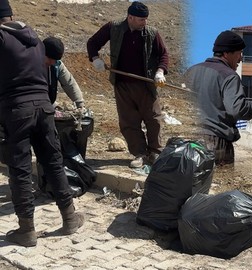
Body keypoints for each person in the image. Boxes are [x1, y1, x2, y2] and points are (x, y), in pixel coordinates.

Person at [0, 0, 84, 247]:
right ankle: (69, 218)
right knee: (53, 163)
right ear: (12, 15)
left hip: (17, 111)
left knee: (21, 169)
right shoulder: (35, 38)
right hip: (44, 109)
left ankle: (26, 230)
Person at [86, 1, 168, 168]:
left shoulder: (151, 33)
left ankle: (155, 153)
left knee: (154, 119)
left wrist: (160, 71)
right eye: (141, 19)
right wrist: (95, 59)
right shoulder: (113, 28)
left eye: (146, 19)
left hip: (146, 85)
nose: (144, 22)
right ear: (130, 17)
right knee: (129, 121)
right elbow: (92, 43)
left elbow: (164, 55)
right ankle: (140, 153)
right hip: (122, 85)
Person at [185, 30, 252, 165]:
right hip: (216, 144)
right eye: (239, 53)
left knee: (193, 184)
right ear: (226, 53)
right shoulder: (228, 75)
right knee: (221, 184)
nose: (241, 58)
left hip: (189, 141)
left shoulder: (191, 71)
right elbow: (238, 109)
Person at [43, 36, 85, 109]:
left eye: (55, 60)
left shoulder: (57, 65)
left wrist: (79, 103)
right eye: (50, 59)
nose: (52, 63)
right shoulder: (30, 64)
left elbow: (69, 83)